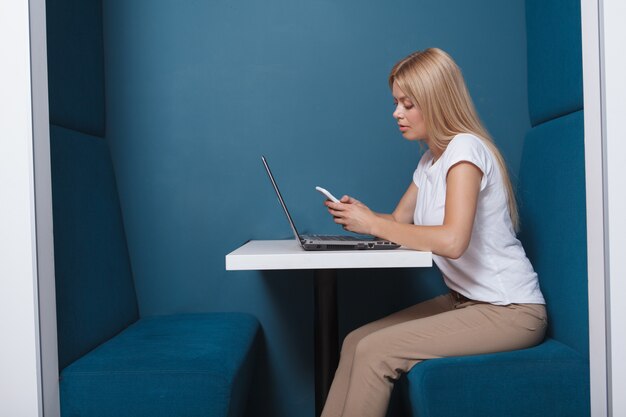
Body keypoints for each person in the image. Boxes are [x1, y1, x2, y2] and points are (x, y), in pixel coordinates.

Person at [320, 48, 547, 417]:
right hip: (466, 300)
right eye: (396, 103)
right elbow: (398, 221)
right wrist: (360, 215)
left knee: (376, 353)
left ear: (436, 102)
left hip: (511, 311)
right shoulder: (430, 161)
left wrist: (373, 225)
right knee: (356, 341)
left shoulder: (465, 151)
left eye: (407, 104)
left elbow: (452, 241)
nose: (396, 113)